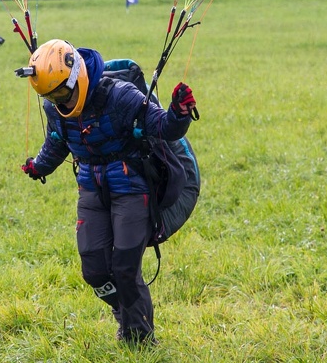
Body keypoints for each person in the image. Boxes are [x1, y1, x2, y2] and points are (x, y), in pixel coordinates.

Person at [20, 39, 197, 344]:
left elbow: (161, 127)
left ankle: (139, 339)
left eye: (62, 91)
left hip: (131, 187)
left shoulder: (120, 95)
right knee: (95, 271)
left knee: (125, 268)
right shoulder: (55, 108)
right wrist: (39, 167)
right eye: (51, 95)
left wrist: (179, 114)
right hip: (91, 187)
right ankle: (126, 312)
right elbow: (57, 142)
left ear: (77, 74)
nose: (59, 100)